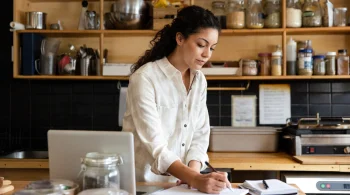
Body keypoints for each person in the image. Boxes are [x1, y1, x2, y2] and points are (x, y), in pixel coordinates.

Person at [122, 5, 231, 194]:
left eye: (212, 48)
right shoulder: (145, 78)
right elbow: (155, 146)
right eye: (201, 45)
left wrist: (192, 175)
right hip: (145, 186)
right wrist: (195, 179)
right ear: (180, 38)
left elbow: (199, 134)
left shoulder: (199, 80)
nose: (207, 54)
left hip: (183, 187)